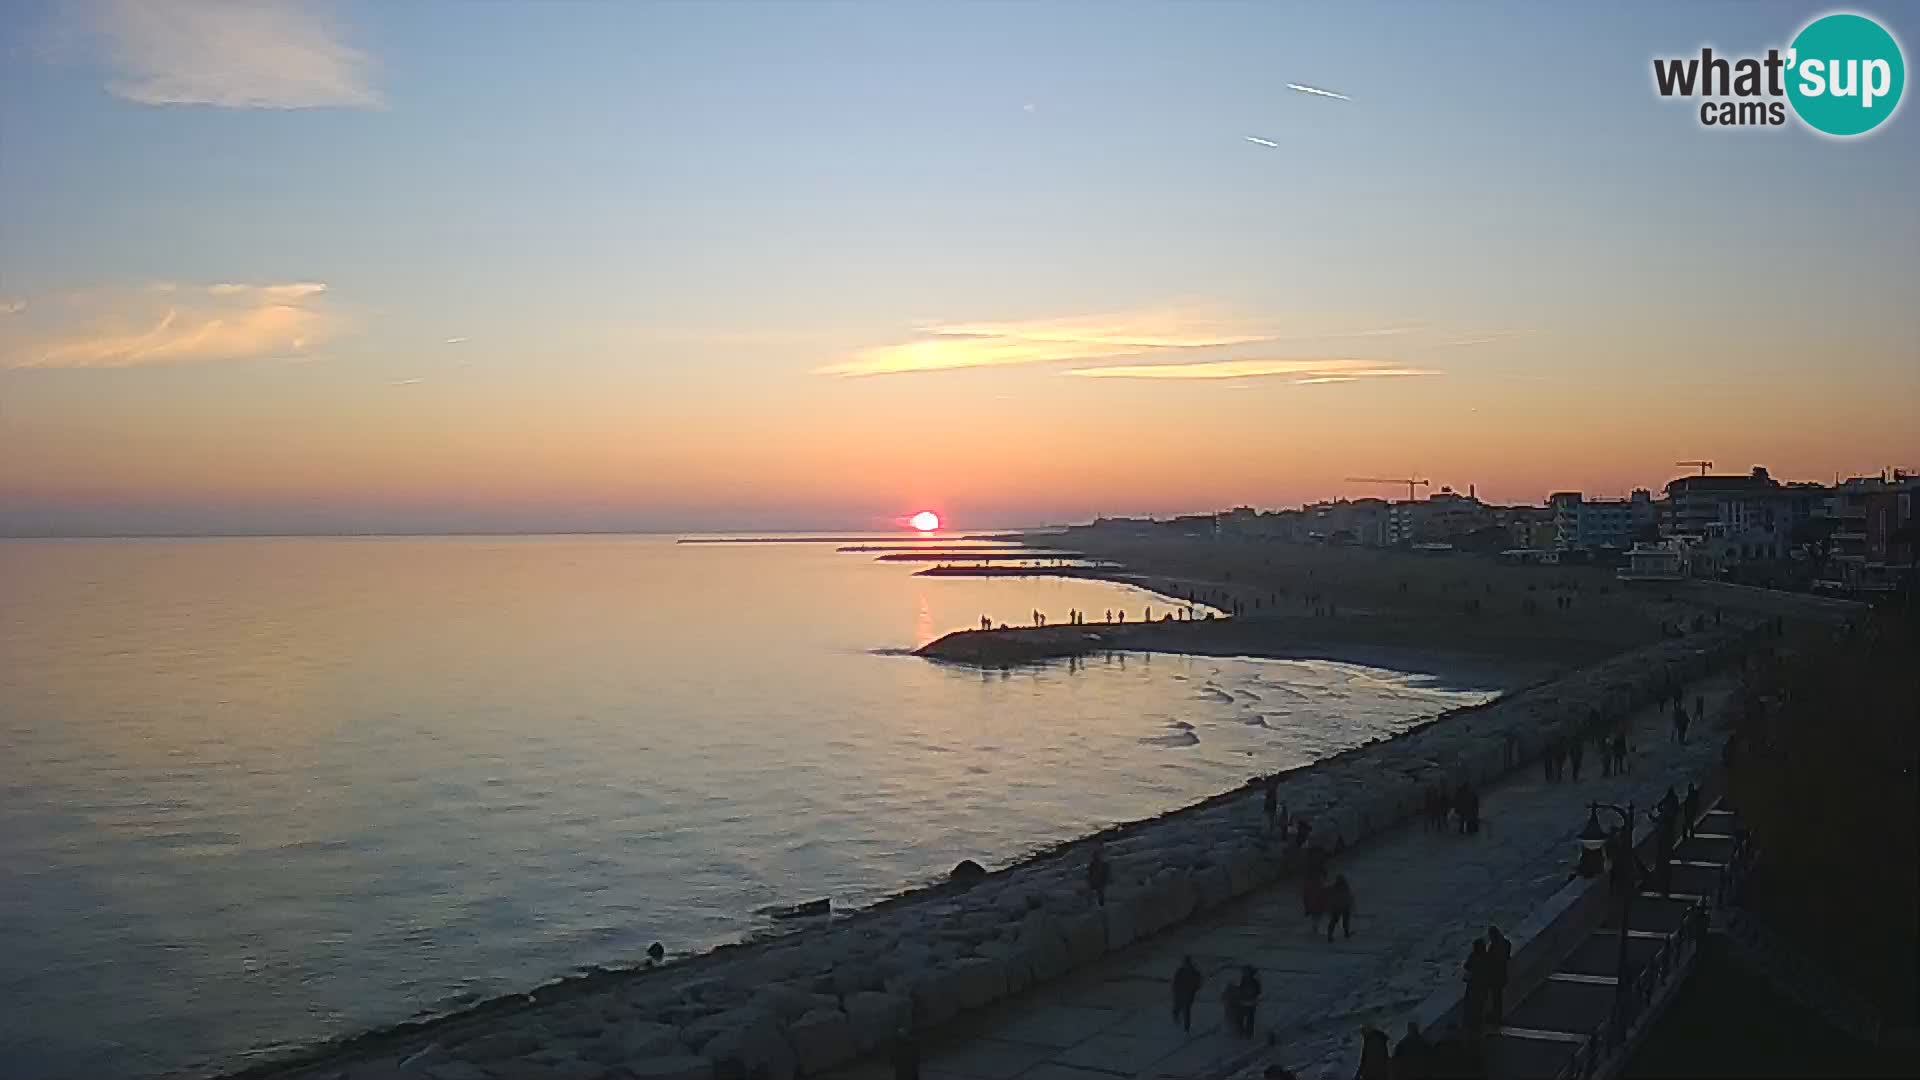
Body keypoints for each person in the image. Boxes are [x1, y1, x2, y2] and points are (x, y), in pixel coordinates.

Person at [1485, 927, 1511, 1023]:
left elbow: (1489, 960)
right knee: (1498, 997)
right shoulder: (1506, 943)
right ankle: (1497, 1015)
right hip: (1502, 974)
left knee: (1496, 997)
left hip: (1495, 976)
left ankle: (1496, 1016)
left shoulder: (1494, 946)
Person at [1227, 965, 1262, 1037]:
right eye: (1244, 972)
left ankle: (1247, 1034)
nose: (1244, 973)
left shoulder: (1253, 982)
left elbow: (1257, 991)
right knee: (1240, 1018)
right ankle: (1242, 1033)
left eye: (1246, 972)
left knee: (1248, 1019)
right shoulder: (1244, 980)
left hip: (1250, 1003)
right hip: (1244, 1002)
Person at [1171, 955, 1203, 1032]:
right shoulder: (1181, 971)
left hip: (1187, 994)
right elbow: (1175, 982)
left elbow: (1198, 983)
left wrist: (1193, 989)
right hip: (1181, 993)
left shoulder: (1193, 972)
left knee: (1186, 1010)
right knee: (1179, 1008)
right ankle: (1180, 1021)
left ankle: (1186, 1027)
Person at [1462, 940, 1488, 1031]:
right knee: (1480, 1005)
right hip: (1482, 986)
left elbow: (1466, 966)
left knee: (1472, 1005)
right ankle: (1478, 1024)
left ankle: (1473, 1024)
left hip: (1474, 986)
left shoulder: (1473, 957)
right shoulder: (1486, 957)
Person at [1325, 874, 1355, 941]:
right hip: (1340, 907)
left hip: (1339, 907)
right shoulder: (1343, 887)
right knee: (1341, 921)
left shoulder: (1337, 887)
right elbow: (1349, 897)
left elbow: (1349, 897)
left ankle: (1331, 935)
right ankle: (1343, 934)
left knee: (1337, 921)